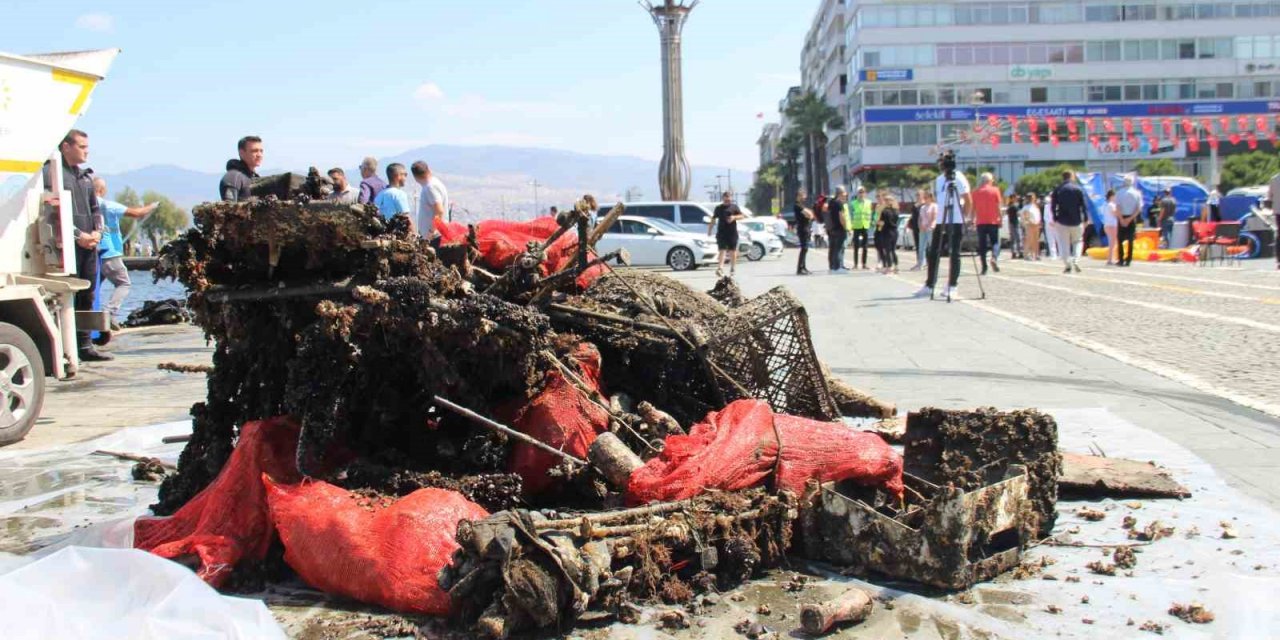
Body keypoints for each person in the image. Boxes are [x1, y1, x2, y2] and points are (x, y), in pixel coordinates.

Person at [42, 130, 111, 361]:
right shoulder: (52, 174)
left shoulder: (85, 178)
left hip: (89, 245)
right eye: (82, 146)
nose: (86, 151)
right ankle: (64, 347)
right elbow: (51, 210)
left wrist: (98, 233)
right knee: (66, 296)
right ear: (66, 147)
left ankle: (85, 345)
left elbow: (95, 210)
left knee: (88, 293)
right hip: (65, 246)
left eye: (87, 147)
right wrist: (77, 235)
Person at [92, 178, 157, 330]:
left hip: (93, 251)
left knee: (94, 288)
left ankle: (93, 322)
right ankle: (109, 313)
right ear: (102, 190)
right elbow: (137, 213)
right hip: (109, 252)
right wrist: (153, 206)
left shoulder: (88, 206)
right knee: (123, 283)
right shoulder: (108, 205)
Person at [917, 159, 972, 300]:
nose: (943, 166)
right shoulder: (939, 179)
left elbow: (968, 198)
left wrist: (964, 216)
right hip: (942, 220)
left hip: (956, 220)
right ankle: (930, 285)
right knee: (933, 251)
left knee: (954, 252)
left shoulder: (958, 177)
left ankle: (952, 285)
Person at [1051, 171, 1088, 274]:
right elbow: (1084, 205)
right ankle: (1076, 260)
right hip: (1076, 220)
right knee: (1078, 241)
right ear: (1072, 177)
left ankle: (1067, 264)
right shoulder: (1078, 188)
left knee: (1064, 243)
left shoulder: (1058, 189)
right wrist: (1085, 218)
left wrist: (1055, 217)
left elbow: (1053, 206)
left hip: (1062, 220)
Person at [410, 161, 450, 243]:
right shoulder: (432, 184)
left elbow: (439, 211)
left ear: (415, 176)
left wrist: (431, 232)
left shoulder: (430, 187)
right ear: (429, 170)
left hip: (435, 237)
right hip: (434, 235)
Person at [708, 191, 746, 277]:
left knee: (733, 251)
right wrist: (709, 230)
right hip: (721, 232)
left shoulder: (734, 207)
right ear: (723, 199)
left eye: (729, 199)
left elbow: (742, 216)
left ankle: (732, 268)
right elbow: (713, 219)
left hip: (732, 232)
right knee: (722, 250)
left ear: (731, 198)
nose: (727, 201)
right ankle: (720, 268)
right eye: (726, 199)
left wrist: (734, 217)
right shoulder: (718, 208)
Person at [972, 173, 1003, 274]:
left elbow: (974, 208)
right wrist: (1001, 218)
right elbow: (998, 206)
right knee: (995, 242)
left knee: (982, 245)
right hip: (993, 221)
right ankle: (994, 257)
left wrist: (972, 219)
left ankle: (984, 267)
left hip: (980, 222)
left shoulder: (976, 192)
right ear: (990, 180)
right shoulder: (995, 190)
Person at [220, 136, 262, 202]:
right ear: (242, 153)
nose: (259, 155)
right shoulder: (233, 177)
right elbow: (228, 209)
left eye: (261, 151)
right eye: (254, 151)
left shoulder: (254, 178)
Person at [1115, 176, 1144, 267]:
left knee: (1120, 239)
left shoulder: (1119, 193)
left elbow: (1118, 207)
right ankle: (1128, 260)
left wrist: (1121, 219)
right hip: (1132, 217)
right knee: (1130, 240)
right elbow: (1139, 209)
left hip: (1122, 216)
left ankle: (1121, 259)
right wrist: (1130, 218)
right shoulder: (1137, 193)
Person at [828, 187, 852, 272]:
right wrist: (845, 227)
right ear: (840, 193)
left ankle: (835, 266)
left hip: (833, 228)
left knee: (835, 248)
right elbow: (841, 216)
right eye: (844, 194)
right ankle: (838, 267)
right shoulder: (839, 203)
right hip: (839, 228)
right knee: (839, 248)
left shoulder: (831, 202)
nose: (845, 196)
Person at [849, 187, 873, 270]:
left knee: (865, 246)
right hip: (856, 226)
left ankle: (864, 264)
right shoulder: (853, 203)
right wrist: (850, 225)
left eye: (863, 192)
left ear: (865, 193)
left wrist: (871, 222)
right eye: (860, 192)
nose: (861, 194)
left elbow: (870, 213)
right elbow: (850, 215)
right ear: (857, 194)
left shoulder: (869, 202)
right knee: (856, 246)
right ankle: (855, 264)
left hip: (865, 225)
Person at [914, 189, 936, 271]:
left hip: (930, 228)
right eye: (925, 197)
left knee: (931, 246)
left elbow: (934, 217)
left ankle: (932, 263)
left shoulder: (934, 206)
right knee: (921, 247)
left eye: (927, 197)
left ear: (931, 197)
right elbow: (920, 218)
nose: (926, 198)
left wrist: (929, 225)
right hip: (922, 229)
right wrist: (920, 225)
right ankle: (921, 263)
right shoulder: (923, 207)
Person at [877, 195, 901, 274]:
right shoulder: (896, 211)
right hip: (895, 231)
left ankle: (889, 267)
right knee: (893, 250)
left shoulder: (884, 211)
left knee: (887, 250)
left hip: (887, 231)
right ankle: (896, 266)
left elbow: (881, 222)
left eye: (886, 200)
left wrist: (878, 225)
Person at [793, 190, 815, 275]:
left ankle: (804, 267)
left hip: (806, 228)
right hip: (802, 229)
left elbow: (811, 215)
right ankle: (800, 268)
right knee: (804, 248)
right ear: (799, 196)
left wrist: (809, 214)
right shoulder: (797, 205)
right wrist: (809, 214)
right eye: (803, 195)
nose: (805, 197)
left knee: (805, 249)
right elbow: (809, 215)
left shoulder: (801, 205)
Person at [1020, 193, 1042, 261]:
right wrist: (1030, 222)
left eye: (1033, 198)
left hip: (1036, 224)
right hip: (1030, 225)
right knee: (1029, 240)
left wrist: (1039, 222)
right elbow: (1025, 217)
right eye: (1031, 198)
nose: (1032, 199)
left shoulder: (1035, 206)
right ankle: (1027, 254)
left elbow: (1038, 215)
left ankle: (1036, 255)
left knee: (1036, 240)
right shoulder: (1026, 207)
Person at [1102, 189, 1120, 265]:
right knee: (1113, 242)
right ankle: (1110, 259)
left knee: (1112, 242)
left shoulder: (1105, 204)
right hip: (1112, 224)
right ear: (1111, 196)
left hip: (1106, 224)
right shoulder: (1111, 205)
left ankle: (1112, 258)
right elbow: (1115, 214)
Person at [1268, 170, 1280, 270]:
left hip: (1278, 211)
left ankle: (1279, 260)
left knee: (1279, 235)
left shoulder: (1274, 179)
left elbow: (1269, 197)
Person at [1006, 194, 1023, 260]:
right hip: (1015, 223)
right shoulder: (1013, 206)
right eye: (1015, 198)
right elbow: (1019, 213)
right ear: (1012, 198)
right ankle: (1020, 252)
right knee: (1018, 238)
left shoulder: (1009, 206)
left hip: (1011, 223)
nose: (1016, 199)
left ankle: (1014, 252)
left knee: (1013, 239)